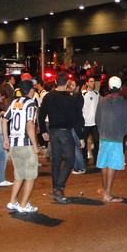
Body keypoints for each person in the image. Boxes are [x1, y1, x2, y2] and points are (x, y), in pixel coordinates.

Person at [38, 71, 84, 204]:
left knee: (56, 161)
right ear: (67, 84)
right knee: (70, 160)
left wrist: (42, 131)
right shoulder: (70, 99)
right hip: (65, 132)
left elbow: (41, 114)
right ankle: (58, 187)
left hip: (53, 131)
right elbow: (75, 119)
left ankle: (55, 188)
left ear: (56, 82)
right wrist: (80, 136)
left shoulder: (48, 97)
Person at [3, 79, 40, 213]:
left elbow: (4, 119)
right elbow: (29, 125)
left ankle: (13, 201)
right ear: (31, 90)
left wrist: (6, 139)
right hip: (26, 144)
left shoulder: (14, 102)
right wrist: (35, 145)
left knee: (18, 175)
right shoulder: (31, 104)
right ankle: (24, 205)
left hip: (14, 144)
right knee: (30, 176)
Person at [95, 76, 127, 202]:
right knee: (112, 164)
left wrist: (102, 131)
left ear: (109, 88)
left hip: (104, 135)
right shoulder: (124, 103)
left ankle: (105, 190)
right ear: (120, 88)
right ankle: (108, 194)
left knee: (104, 163)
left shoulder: (102, 101)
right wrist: (123, 132)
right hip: (116, 137)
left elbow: (97, 119)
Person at [81, 75, 100, 166]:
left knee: (97, 141)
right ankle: (85, 159)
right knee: (83, 142)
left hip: (94, 123)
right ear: (87, 83)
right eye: (91, 81)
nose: (93, 83)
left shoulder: (97, 94)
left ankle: (96, 159)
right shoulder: (83, 94)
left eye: (93, 81)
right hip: (85, 123)